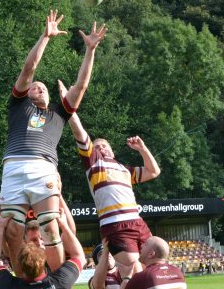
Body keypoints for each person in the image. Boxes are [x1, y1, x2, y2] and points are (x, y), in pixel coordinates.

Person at [0, 9, 107, 275]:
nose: (40, 87)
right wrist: (45, 36)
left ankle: (61, 288)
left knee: (50, 227)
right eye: (36, 87)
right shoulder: (18, 106)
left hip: (43, 167)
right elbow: (29, 68)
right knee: (12, 233)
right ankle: (23, 284)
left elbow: (80, 86)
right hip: (13, 165)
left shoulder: (59, 113)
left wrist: (90, 50)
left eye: (45, 87)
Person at [66, 112, 161, 274]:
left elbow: (154, 171)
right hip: (115, 224)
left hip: (137, 221)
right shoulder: (94, 164)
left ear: (112, 151)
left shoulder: (125, 169)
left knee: (157, 259)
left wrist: (142, 149)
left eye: (105, 145)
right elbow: (79, 132)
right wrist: (69, 109)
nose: (101, 147)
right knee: (132, 267)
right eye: (97, 146)